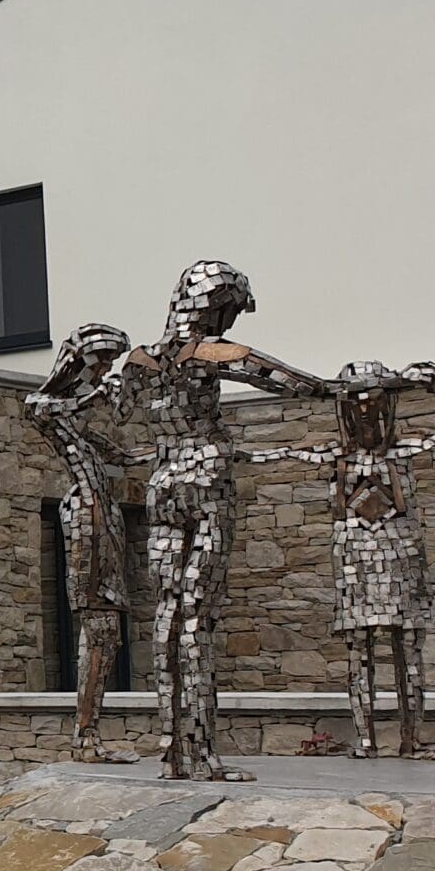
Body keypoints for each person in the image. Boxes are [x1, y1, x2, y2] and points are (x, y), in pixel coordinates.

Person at [128, 261, 326, 781]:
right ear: (217, 306)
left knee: (166, 616)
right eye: (229, 313)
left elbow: (115, 402)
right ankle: (205, 753)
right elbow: (292, 384)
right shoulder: (211, 352)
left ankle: (173, 751)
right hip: (204, 477)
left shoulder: (140, 360)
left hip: (162, 482)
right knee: (198, 619)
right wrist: (344, 389)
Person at [242, 360, 435, 757]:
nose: (365, 415)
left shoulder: (406, 450)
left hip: (403, 557)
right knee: (359, 650)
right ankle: (365, 740)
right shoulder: (334, 456)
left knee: (408, 648)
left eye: (374, 405)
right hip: (355, 563)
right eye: (354, 406)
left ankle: (411, 739)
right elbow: (270, 455)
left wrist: (424, 375)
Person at [24, 323, 140, 761]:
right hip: (86, 516)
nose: (107, 369)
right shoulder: (49, 406)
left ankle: (89, 731)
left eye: (112, 361)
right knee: (97, 623)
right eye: (103, 359)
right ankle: (85, 735)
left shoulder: (82, 429)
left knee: (107, 630)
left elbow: (123, 455)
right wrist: (97, 394)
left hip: (105, 515)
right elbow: (43, 407)